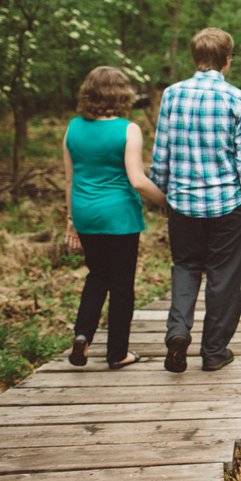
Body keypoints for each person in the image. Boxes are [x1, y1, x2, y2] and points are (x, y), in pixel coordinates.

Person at [151, 27, 241, 373]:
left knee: (185, 266)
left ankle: (178, 331)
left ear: (195, 59)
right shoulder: (237, 99)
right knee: (223, 276)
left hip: (182, 203)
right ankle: (213, 352)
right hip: (228, 204)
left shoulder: (171, 95)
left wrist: (164, 193)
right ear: (227, 60)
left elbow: (161, 153)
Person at [64, 66, 169, 370]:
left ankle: (82, 336)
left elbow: (69, 180)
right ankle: (117, 353)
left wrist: (70, 219)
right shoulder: (127, 129)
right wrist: (164, 200)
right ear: (122, 94)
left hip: (85, 213)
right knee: (122, 283)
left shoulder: (72, 128)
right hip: (119, 215)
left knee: (97, 275)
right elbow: (137, 180)